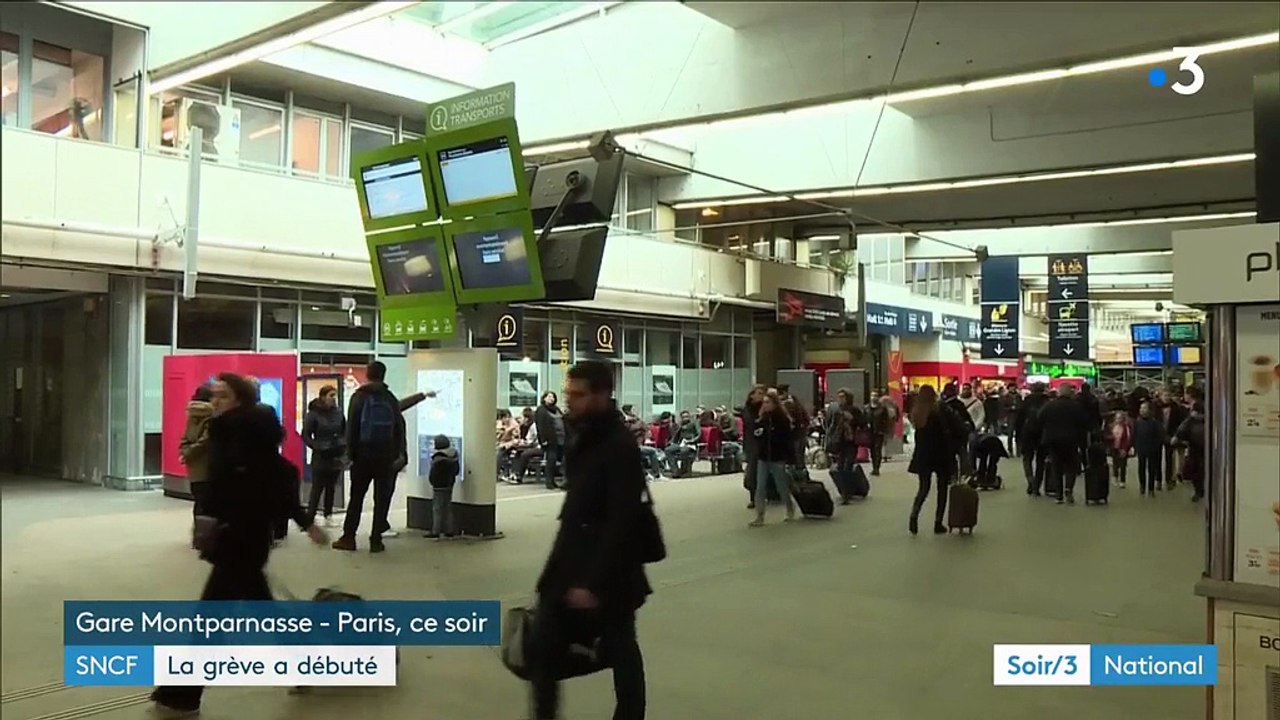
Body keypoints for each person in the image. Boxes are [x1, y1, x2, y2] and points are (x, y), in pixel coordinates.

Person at [151, 373, 326, 716]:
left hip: (241, 538)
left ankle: (182, 695)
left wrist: (304, 522)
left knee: (211, 619)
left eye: (224, 396)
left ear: (241, 400)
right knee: (259, 610)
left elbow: (276, 479)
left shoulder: (245, 433)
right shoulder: (229, 431)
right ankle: (300, 662)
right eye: (214, 395)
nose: (215, 401)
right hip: (236, 536)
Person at [529, 361, 650, 720]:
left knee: (621, 650)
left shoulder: (618, 445)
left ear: (602, 394)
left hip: (608, 570)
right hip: (570, 561)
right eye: (568, 394)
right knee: (543, 646)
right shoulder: (583, 436)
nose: (570, 401)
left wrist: (592, 582)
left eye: (578, 395)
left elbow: (622, 519)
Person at [333, 361, 403, 554]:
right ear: (384, 375)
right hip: (386, 457)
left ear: (367, 374)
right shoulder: (389, 398)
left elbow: (352, 428)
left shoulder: (359, 397)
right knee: (382, 500)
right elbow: (399, 428)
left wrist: (351, 454)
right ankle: (376, 541)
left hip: (363, 456)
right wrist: (397, 455)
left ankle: (349, 538)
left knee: (356, 498)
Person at [906, 385, 967, 535]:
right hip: (941, 454)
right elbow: (957, 426)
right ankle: (938, 523)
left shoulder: (917, 411)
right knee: (942, 490)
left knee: (923, 488)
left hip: (923, 456)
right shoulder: (940, 409)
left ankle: (914, 516)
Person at [749, 390, 797, 527]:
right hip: (763, 457)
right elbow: (756, 434)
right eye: (763, 402)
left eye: (768, 402)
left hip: (777, 457)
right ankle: (760, 516)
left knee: (781, 485)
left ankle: (789, 507)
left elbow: (787, 440)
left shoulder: (782, 419)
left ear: (775, 404)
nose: (765, 405)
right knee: (760, 487)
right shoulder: (762, 418)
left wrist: (790, 459)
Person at [1038, 384, 1092, 504]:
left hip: (1053, 440)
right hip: (1071, 440)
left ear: (1058, 392)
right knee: (1071, 467)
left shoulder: (1050, 405)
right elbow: (1085, 421)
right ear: (1070, 393)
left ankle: (1059, 494)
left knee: (1056, 467)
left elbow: (1039, 418)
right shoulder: (1076, 406)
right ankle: (1069, 490)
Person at [302, 385, 346, 526]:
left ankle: (328, 515)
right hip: (321, 455)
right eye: (331, 395)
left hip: (336, 454)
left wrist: (343, 444)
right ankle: (310, 517)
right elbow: (306, 435)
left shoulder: (339, 413)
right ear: (323, 397)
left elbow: (345, 431)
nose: (334, 399)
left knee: (331, 487)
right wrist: (316, 445)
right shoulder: (314, 414)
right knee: (317, 487)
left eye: (335, 395)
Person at [179, 384, 215, 546]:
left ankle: (198, 535)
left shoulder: (192, 415)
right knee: (206, 503)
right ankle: (203, 537)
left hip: (193, 467)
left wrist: (186, 453)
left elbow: (185, 439)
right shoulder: (212, 416)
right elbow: (206, 441)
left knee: (198, 501)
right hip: (207, 465)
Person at [1016, 383, 1049, 495]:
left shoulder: (1027, 401)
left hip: (1028, 433)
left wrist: (1018, 435)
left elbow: (1019, 419)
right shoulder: (1047, 402)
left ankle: (1030, 480)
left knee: (1027, 459)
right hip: (1042, 434)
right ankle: (1036, 486)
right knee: (1041, 461)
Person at [425, 434, 460, 539]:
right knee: (447, 507)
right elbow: (456, 471)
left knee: (437, 509)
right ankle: (449, 530)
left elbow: (433, 474)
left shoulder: (437, 459)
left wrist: (432, 482)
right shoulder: (453, 455)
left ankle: (436, 530)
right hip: (449, 484)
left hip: (438, 486)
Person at [1174, 401, 1207, 502]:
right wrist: (1178, 437)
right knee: (1195, 471)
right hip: (1194, 448)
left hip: (1204, 450)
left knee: (1201, 471)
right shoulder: (1190, 421)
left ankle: (1200, 490)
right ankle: (1198, 490)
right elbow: (1181, 430)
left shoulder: (1205, 421)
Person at [534, 392, 567, 491]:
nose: (551, 398)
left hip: (561, 438)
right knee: (551, 460)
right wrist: (543, 440)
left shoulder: (556, 409)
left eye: (553, 397)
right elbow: (540, 426)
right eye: (549, 396)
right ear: (544, 398)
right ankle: (549, 482)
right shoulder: (541, 410)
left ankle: (561, 480)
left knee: (564, 459)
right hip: (550, 439)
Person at [1132, 401, 1166, 496]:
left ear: (1150, 410)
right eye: (1141, 408)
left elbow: (1160, 436)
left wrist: (1156, 446)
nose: (1142, 410)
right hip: (1141, 448)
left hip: (1152, 449)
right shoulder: (1137, 422)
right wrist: (1134, 446)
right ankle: (1142, 485)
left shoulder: (1155, 423)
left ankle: (1151, 488)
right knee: (1141, 468)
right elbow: (1134, 435)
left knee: (1151, 469)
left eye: (1144, 408)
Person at [741, 385, 766, 508]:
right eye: (759, 393)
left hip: (766, 443)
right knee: (753, 471)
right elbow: (752, 424)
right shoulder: (748, 409)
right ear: (752, 395)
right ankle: (754, 497)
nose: (762, 396)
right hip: (753, 444)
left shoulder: (766, 406)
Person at [867, 392, 894, 476]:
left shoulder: (882, 408)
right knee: (872, 451)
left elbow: (886, 420)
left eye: (875, 396)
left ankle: (876, 468)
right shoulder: (867, 408)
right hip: (869, 432)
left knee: (877, 449)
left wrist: (886, 430)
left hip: (879, 432)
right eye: (872, 395)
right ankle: (874, 465)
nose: (873, 397)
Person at [1105, 410, 1133, 489]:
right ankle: (1115, 477)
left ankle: (1122, 480)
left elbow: (1128, 438)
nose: (1118, 420)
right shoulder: (1111, 426)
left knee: (1123, 464)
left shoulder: (1126, 427)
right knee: (1115, 463)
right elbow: (1107, 436)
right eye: (1117, 418)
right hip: (1114, 447)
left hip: (1122, 448)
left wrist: (1125, 449)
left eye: (1120, 418)